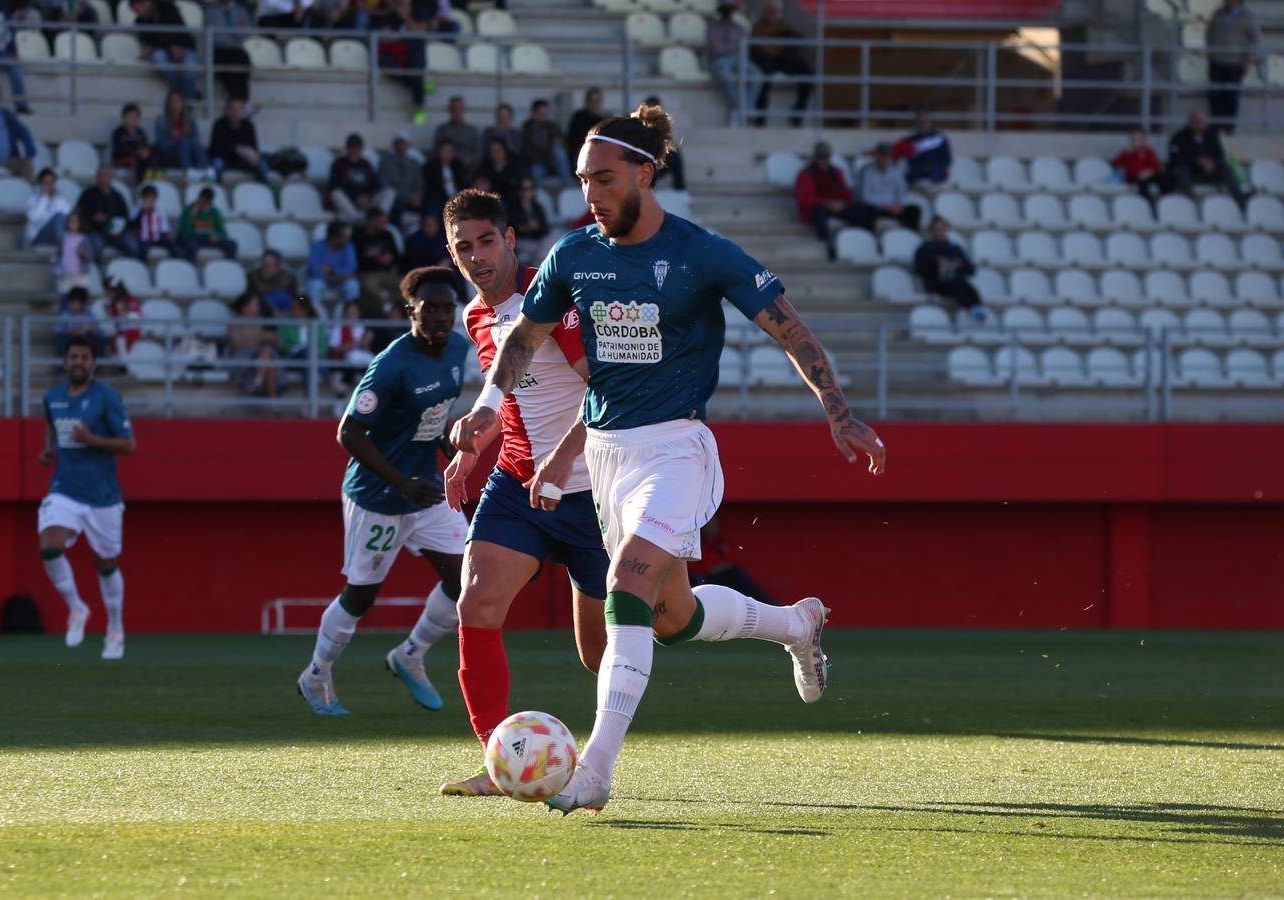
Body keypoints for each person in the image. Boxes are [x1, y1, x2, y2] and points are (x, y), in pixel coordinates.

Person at [449, 103, 886, 813]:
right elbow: (522, 342)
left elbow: (790, 330)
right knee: (669, 617)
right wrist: (489, 410)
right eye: (584, 179)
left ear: (645, 174)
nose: (591, 193)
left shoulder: (700, 252)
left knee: (627, 581)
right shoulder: (573, 256)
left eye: (605, 177)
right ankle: (793, 625)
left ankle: (593, 773)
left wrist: (837, 409)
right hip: (611, 460)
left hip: (676, 449)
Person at [429, 188, 603, 795]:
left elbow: (607, 396)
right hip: (517, 484)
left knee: (617, 645)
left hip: (592, 491)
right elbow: (511, 402)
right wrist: (470, 453)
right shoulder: (477, 317)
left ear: (509, 239)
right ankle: (500, 765)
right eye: (462, 248)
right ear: (452, 256)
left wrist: (562, 460)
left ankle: (779, 623)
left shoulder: (554, 299)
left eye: (485, 241)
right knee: (475, 604)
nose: (476, 257)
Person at [296, 265, 471, 716]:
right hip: (378, 495)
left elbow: (429, 417)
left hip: (424, 490)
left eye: (446, 308)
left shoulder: (456, 348)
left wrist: (446, 455)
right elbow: (349, 432)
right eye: (429, 308)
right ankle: (315, 675)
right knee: (361, 595)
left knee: (466, 575)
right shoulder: (391, 365)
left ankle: (409, 655)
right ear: (410, 309)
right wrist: (401, 482)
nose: (438, 317)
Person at [37, 334, 136, 660]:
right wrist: (49, 449)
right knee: (49, 545)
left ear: (92, 365)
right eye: (73, 357)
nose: (78, 362)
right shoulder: (52, 396)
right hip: (64, 487)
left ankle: (115, 629)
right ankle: (77, 608)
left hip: (102, 495)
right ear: (65, 362)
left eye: (84, 358)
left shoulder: (107, 398)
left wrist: (90, 438)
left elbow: (128, 445)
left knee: (105, 562)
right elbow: (53, 426)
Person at [749, 0, 813, 128]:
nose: (773, 13)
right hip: (764, 59)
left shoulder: (784, 26)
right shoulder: (758, 26)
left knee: (808, 73)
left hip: (781, 59)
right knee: (764, 77)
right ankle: (760, 117)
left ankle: (798, 113)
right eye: (771, 9)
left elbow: (795, 44)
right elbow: (757, 47)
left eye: (776, 10)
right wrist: (772, 48)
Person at [914, 216, 987, 322]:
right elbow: (920, 269)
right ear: (932, 231)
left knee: (969, 288)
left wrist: (959, 265)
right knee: (956, 283)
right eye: (937, 230)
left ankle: (977, 309)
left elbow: (970, 270)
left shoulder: (954, 248)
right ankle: (974, 310)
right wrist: (936, 263)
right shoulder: (925, 249)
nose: (940, 232)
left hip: (955, 281)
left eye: (942, 229)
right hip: (936, 283)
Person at [1168, 108, 1248, 205]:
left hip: (1209, 172)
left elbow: (1219, 154)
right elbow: (1175, 159)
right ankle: (1191, 204)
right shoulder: (1179, 137)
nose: (1201, 124)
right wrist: (1197, 161)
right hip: (1192, 174)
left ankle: (1241, 201)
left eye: (1203, 121)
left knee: (1225, 167)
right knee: (1182, 170)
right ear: (1191, 122)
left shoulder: (1211, 135)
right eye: (1198, 121)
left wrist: (1211, 162)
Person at [795, 141, 858, 260]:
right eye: (820, 157)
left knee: (859, 211)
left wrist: (843, 203)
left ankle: (857, 241)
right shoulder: (806, 174)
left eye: (826, 157)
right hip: (819, 207)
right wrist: (826, 203)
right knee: (819, 212)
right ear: (816, 157)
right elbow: (804, 198)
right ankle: (825, 244)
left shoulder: (837, 172)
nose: (823, 160)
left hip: (837, 206)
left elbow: (846, 192)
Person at [1205, 0, 1260, 133]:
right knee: (1215, 96)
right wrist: (1211, 51)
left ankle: (1229, 128)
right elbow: (1209, 32)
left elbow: (1255, 39)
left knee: (1231, 97)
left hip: (1235, 63)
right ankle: (1215, 128)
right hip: (1217, 61)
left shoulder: (1247, 16)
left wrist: (1248, 59)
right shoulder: (1218, 13)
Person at [372, 0, 429, 125]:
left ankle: (419, 109)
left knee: (416, 54)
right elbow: (384, 39)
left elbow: (421, 34)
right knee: (386, 64)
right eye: (399, 4)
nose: (401, 6)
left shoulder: (417, 15)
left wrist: (406, 19)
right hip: (395, 58)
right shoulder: (389, 17)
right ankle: (420, 86)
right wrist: (403, 37)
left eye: (403, 4)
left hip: (413, 56)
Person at [131, 0, 199, 101]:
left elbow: (178, 30)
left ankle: (186, 99)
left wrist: (174, 45)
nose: (137, 13)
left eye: (138, 9)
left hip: (184, 46)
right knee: (158, 59)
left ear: (147, 3)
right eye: (134, 10)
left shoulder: (167, 7)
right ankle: (186, 94)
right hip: (163, 50)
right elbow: (151, 42)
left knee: (189, 69)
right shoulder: (139, 22)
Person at [852, 142, 922, 232]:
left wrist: (899, 205)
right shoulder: (866, 171)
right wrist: (884, 206)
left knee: (914, 210)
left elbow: (902, 193)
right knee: (866, 211)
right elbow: (864, 196)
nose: (886, 159)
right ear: (877, 156)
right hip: (876, 207)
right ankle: (870, 239)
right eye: (883, 156)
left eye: (888, 156)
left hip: (893, 208)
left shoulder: (896, 171)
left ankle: (911, 237)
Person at [707, 3, 755, 126]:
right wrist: (732, 48)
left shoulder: (739, 28)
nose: (727, 15)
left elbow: (743, 48)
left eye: (729, 12)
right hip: (719, 60)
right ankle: (740, 108)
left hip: (737, 59)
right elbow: (716, 50)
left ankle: (744, 109)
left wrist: (732, 49)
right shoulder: (712, 28)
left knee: (757, 75)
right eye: (725, 12)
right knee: (724, 75)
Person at [76, 165, 137, 260]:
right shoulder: (87, 195)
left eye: (106, 175)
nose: (102, 178)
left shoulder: (118, 196)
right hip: (95, 231)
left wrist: (119, 230)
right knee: (96, 246)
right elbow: (79, 215)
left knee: (132, 245)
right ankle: (97, 272)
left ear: (111, 178)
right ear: (96, 177)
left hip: (116, 234)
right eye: (100, 175)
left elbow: (125, 217)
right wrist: (93, 219)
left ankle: (128, 270)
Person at [228, 291, 280, 397]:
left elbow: (277, 343)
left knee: (267, 353)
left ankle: (258, 380)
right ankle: (273, 403)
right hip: (241, 355)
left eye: (258, 305)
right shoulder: (234, 322)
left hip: (260, 356)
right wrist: (260, 337)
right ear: (244, 307)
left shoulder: (260, 322)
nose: (257, 308)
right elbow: (236, 343)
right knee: (267, 358)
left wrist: (271, 338)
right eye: (254, 305)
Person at [353, 208, 402, 316]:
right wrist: (377, 260)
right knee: (371, 290)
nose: (384, 224)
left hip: (386, 273)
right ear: (372, 221)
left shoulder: (387, 235)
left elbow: (397, 257)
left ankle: (397, 315)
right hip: (367, 274)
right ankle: (381, 319)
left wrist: (389, 259)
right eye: (381, 222)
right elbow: (357, 260)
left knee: (405, 286)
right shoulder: (358, 236)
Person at [208, 97, 269, 182]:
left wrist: (251, 155)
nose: (236, 112)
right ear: (227, 111)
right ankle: (217, 191)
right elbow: (215, 148)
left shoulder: (248, 125)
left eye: (240, 109)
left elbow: (254, 146)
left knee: (261, 163)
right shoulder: (219, 124)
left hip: (243, 159)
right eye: (234, 109)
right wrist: (236, 149)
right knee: (217, 164)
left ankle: (263, 189)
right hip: (225, 159)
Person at [204, 0, 253, 102]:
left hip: (238, 51)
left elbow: (246, 34)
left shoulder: (241, 10)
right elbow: (216, 37)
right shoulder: (210, 11)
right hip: (220, 51)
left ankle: (237, 101)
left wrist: (227, 33)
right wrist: (236, 32)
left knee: (243, 64)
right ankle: (241, 102)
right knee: (229, 66)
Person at [152, 89, 208, 177]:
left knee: (194, 144)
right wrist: (174, 139)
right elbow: (161, 145)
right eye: (173, 101)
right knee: (182, 142)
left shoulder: (189, 119)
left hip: (188, 152)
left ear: (182, 103)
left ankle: (206, 171)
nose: (175, 104)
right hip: (169, 155)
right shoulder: (161, 120)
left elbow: (196, 139)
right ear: (168, 103)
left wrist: (183, 137)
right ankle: (188, 172)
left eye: (178, 101)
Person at [327, 134, 380, 224]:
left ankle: (379, 220)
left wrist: (368, 197)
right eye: (352, 148)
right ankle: (359, 220)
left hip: (366, 201)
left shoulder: (366, 164)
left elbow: (375, 184)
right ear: (347, 149)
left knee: (389, 192)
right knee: (336, 194)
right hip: (348, 202)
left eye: (358, 148)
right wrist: (355, 198)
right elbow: (335, 185)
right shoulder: (338, 164)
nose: (355, 151)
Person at [306, 221, 360, 308]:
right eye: (344, 236)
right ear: (335, 237)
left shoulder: (348, 246)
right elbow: (314, 270)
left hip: (340, 281)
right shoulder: (317, 246)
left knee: (353, 285)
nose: (347, 238)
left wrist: (333, 270)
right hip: (322, 280)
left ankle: (349, 316)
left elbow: (351, 268)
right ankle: (318, 317)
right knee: (314, 285)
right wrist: (334, 276)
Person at [893, 111, 952, 187]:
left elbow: (947, 160)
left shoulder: (940, 138)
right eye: (920, 121)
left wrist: (933, 167)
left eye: (926, 120)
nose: (923, 123)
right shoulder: (909, 141)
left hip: (936, 179)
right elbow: (893, 155)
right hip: (915, 179)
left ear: (931, 122)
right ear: (916, 123)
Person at [177, 187, 237, 260]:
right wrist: (192, 215)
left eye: (206, 202)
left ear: (210, 201)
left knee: (232, 244)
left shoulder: (214, 212)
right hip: (193, 239)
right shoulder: (189, 210)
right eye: (202, 200)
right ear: (199, 198)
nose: (203, 204)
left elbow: (223, 232)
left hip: (208, 239)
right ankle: (191, 268)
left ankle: (227, 266)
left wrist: (218, 237)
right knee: (190, 244)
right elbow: (185, 232)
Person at [328, 299, 374, 390]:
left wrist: (366, 342)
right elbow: (333, 350)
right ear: (345, 314)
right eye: (350, 312)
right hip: (343, 364)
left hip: (362, 363)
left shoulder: (363, 328)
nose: (353, 315)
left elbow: (366, 349)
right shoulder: (338, 328)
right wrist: (354, 344)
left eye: (355, 312)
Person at [1111, 128, 1163, 208]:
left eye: (1140, 138)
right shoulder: (1127, 152)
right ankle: (1147, 206)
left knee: (1166, 178)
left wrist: (1149, 172)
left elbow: (1155, 166)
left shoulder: (1149, 152)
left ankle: (1165, 202)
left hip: (1148, 176)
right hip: (1133, 177)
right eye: (1135, 139)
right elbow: (1116, 165)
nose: (1138, 141)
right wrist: (1127, 154)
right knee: (1142, 183)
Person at [379, 130, 424, 222]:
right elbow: (385, 186)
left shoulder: (414, 164)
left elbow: (419, 184)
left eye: (403, 143)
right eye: (399, 143)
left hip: (412, 199)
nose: (401, 146)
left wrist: (417, 195)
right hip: (394, 200)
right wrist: (407, 197)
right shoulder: (385, 163)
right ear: (394, 145)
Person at [521, 99, 567, 185]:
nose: (544, 116)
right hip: (537, 162)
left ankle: (568, 184)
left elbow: (561, 139)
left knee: (559, 152)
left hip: (551, 161)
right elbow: (528, 152)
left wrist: (558, 141)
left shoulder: (552, 126)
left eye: (545, 113)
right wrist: (548, 160)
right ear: (534, 114)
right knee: (536, 170)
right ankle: (538, 196)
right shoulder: (527, 129)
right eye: (541, 113)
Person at [506, 177, 550, 266]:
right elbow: (508, 227)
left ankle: (534, 264)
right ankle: (537, 266)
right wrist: (523, 228)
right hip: (522, 240)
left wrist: (537, 227)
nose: (527, 192)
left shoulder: (538, 208)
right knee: (543, 250)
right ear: (519, 191)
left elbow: (545, 228)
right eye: (525, 189)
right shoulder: (512, 208)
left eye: (530, 188)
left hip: (537, 240)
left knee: (552, 238)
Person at [565, 88, 606, 182]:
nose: (595, 104)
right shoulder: (578, 117)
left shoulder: (605, 119)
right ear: (587, 102)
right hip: (580, 151)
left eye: (597, 101)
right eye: (593, 101)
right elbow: (572, 138)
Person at [25, 168, 70, 248]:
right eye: (46, 182)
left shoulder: (60, 198)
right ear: (40, 184)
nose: (50, 185)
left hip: (55, 236)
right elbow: (34, 218)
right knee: (59, 217)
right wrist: (45, 197)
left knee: (61, 217)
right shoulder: (33, 198)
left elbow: (67, 216)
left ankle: (64, 246)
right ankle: (64, 248)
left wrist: (56, 198)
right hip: (38, 238)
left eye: (52, 182)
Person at [54, 285, 104, 357]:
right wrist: (70, 331)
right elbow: (58, 329)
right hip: (70, 339)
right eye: (70, 302)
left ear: (82, 304)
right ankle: (62, 365)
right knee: (61, 339)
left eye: (74, 302)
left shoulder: (88, 314)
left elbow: (96, 328)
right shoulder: (66, 314)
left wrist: (91, 329)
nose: (71, 305)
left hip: (85, 338)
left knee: (99, 339)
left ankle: (96, 365)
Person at [422, 139, 470, 215]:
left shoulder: (457, 165)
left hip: (456, 196)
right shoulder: (430, 167)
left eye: (450, 151)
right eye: (445, 151)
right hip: (439, 198)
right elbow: (432, 187)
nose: (447, 154)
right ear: (439, 152)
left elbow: (463, 183)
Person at [434, 96, 481, 170]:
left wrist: (471, 160)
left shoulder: (471, 130)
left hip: (468, 168)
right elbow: (436, 151)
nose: (456, 111)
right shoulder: (442, 130)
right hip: (447, 168)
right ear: (450, 110)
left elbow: (478, 151)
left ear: (463, 110)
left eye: (459, 108)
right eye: (454, 109)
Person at [110, 103, 152, 182]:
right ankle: (139, 184)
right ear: (123, 119)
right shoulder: (118, 133)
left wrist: (145, 152)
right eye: (129, 117)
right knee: (136, 160)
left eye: (135, 118)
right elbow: (119, 149)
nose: (132, 120)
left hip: (138, 159)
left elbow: (145, 147)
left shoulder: (141, 133)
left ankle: (152, 183)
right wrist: (136, 152)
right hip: (121, 159)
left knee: (151, 158)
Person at [130, 184, 173, 260]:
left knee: (174, 247)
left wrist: (167, 237)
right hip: (143, 240)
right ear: (143, 199)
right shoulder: (135, 211)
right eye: (148, 198)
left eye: (152, 198)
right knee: (142, 250)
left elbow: (164, 230)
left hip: (158, 239)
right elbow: (132, 227)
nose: (150, 201)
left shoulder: (160, 213)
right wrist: (142, 211)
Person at [248, 249, 299, 314]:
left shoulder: (289, 278)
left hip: (283, 312)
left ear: (278, 267)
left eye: (269, 266)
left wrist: (300, 300)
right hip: (259, 309)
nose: (265, 268)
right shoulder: (252, 277)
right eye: (264, 264)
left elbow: (298, 297)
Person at [54, 212, 92, 293]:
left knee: (79, 296)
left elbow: (89, 256)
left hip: (80, 274)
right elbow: (58, 254)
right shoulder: (63, 238)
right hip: (64, 274)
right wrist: (57, 266)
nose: (72, 224)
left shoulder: (84, 239)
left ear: (80, 223)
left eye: (75, 221)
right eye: (70, 221)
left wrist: (83, 253)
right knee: (64, 295)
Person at [104, 277, 142, 354]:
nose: (108, 293)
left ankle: (124, 363)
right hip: (120, 332)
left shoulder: (131, 300)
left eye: (110, 290)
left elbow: (136, 318)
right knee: (113, 346)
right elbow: (113, 320)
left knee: (120, 341)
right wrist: (109, 311)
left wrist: (124, 312)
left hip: (132, 330)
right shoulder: (112, 303)